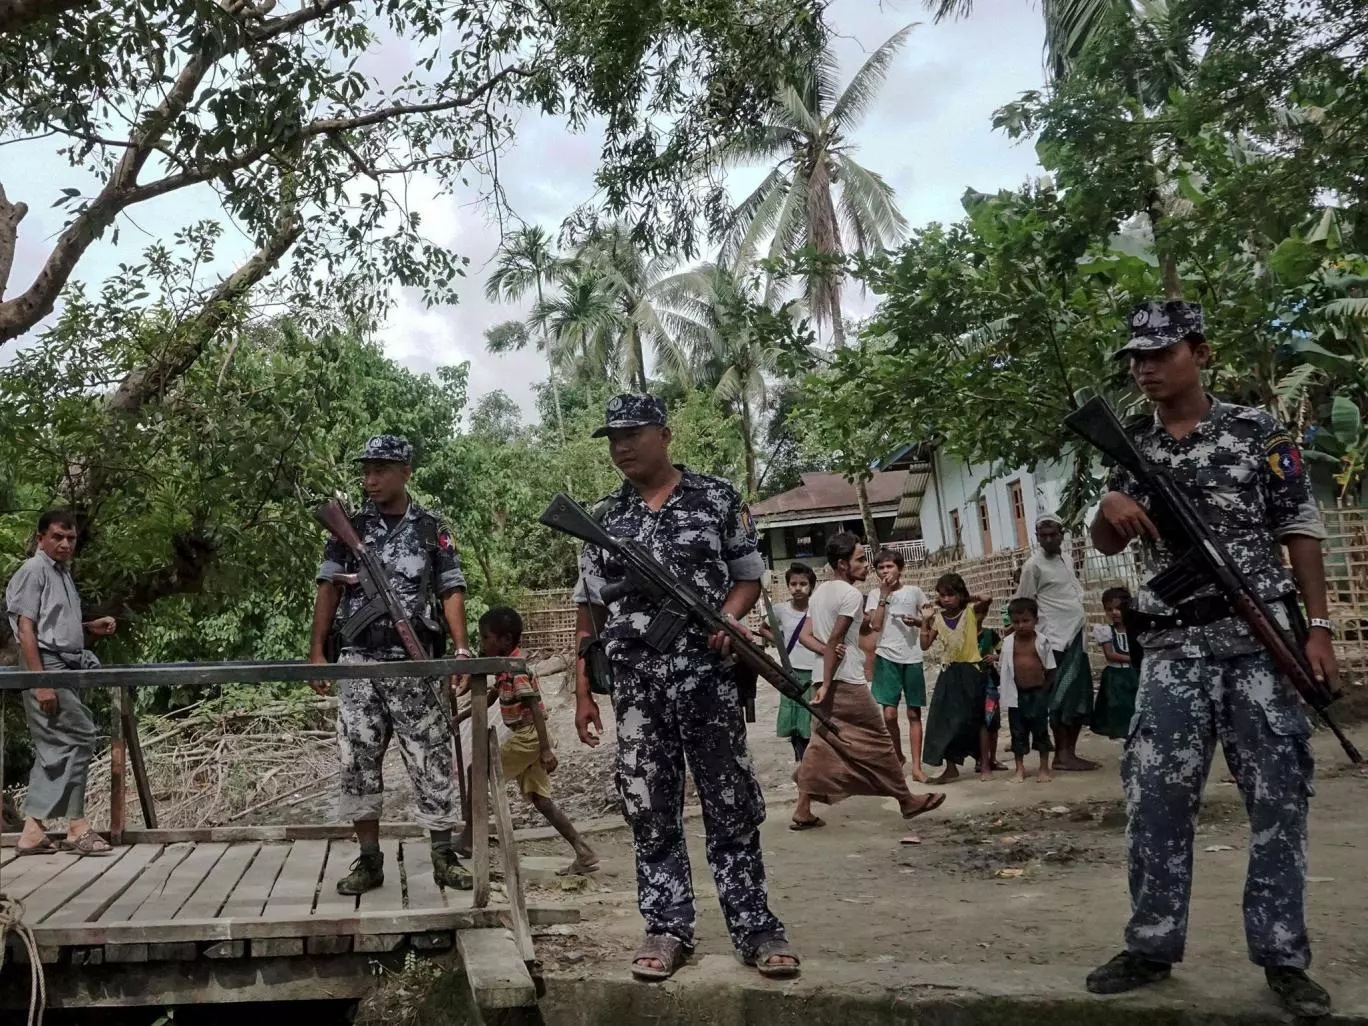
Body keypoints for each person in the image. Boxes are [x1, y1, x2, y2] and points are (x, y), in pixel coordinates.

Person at [1083, 300, 1337, 1018]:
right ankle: (1152, 942)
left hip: (1260, 645)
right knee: (1156, 798)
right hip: (1171, 648)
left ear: (1200, 350)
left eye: (1160, 353)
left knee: (1279, 800)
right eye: (1136, 357)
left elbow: (1300, 530)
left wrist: (1318, 630)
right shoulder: (1133, 446)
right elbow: (1106, 545)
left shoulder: (1258, 432)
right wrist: (1109, 504)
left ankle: (1283, 954)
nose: (1145, 368)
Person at [571, 394, 797, 982]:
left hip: (708, 679)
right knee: (649, 806)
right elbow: (589, 608)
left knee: (730, 801)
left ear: (664, 434)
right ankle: (667, 927)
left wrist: (728, 618)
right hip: (637, 687)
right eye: (612, 437)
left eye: (633, 434)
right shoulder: (600, 518)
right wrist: (581, 689)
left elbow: (747, 578)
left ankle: (754, 926)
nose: (621, 446)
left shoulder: (717, 497)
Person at [309, 435, 474, 895]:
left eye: (381, 469)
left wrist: (460, 649)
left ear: (406, 471)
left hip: (415, 662)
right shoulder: (349, 528)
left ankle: (443, 855)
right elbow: (328, 588)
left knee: (431, 756)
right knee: (358, 760)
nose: (370, 479)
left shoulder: (430, 529)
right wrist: (317, 650)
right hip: (359, 660)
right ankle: (369, 860)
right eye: (366, 470)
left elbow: (451, 588)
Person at [794, 534, 946, 842]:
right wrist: (827, 674)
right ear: (842, 564)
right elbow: (835, 642)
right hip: (844, 680)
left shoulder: (821, 592)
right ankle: (906, 799)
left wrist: (823, 671)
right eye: (860, 559)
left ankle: (802, 809)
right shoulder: (851, 595)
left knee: (822, 743)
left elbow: (805, 637)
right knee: (878, 741)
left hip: (824, 677)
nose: (867, 565)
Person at [4, 510, 117, 857]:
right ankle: (77, 825)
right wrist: (42, 683)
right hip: (45, 666)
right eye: (57, 537)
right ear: (40, 539)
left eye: (70, 538)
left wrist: (88, 627)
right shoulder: (33, 571)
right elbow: (26, 629)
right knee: (82, 733)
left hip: (62, 663)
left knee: (57, 747)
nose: (65, 543)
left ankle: (33, 832)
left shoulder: (62, 573)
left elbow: (53, 623)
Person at [455, 606, 597, 876]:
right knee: (540, 800)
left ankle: (471, 837)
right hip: (530, 738)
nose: (483, 644)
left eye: (487, 638)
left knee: (477, 772)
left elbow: (535, 709)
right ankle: (583, 850)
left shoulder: (517, 670)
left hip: (530, 737)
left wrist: (545, 749)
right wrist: (461, 717)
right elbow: (491, 698)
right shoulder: (505, 668)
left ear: (506, 640)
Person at [1015, 513, 1097, 771]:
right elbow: (1024, 603)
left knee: (1078, 695)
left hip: (1074, 636)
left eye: (1053, 534)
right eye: (1043, 536)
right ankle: (1061, 754)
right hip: (1054, 640)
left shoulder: (1067, 559)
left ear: (1062, 534)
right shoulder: (1033, 566)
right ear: (1037, 537)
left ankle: (1069, 752)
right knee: (1060, 698)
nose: (1049, 539)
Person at [919, 573, 993, 785]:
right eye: (942, 595)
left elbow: (987, 598)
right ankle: (950, 768)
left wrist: (967, 598)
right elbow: (924, 645)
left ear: (961, 595)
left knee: (977, 719)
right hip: (949, 673)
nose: (946, 599)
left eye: (951, 595)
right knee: (945, 721)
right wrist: (925, 621)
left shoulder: (971, 612)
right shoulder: (938, 620)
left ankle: (985, 765)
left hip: (971, 671)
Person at [864, 548, 931, 780]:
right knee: (889, 714)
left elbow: (930, 619)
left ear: (900, 569)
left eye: (890, 566)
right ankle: (898, 755)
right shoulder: (875, 594)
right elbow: (875, 625)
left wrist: (919, 621)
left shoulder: (915, 592)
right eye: (881, 568)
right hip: (886, 656)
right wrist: (883, 595)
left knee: (914, 713)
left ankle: (917, 767)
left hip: (912, 657)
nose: (885, 571)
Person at [757, 563, 823, 764]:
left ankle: (816, 763)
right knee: (795, 719)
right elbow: (763, 629)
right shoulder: (781, 610)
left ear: (811, 586)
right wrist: (782, 642)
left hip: (815, 670)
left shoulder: (817, 609)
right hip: (792, 671)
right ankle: (802, 763)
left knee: (814, 717)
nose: (798, 588)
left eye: (803, 584)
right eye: (793, 584)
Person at [998, 598, 1056, 784]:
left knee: (1040, 730)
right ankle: (1019, 769)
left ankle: (1044, 767)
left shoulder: (1042, 641)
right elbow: (1003, 668)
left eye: (1025, 621)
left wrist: (1045, 691)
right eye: (1016, 622)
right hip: (1017, 694)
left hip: (1038, 693)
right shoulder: (1008, 643)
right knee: (1018, 731)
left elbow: (1051, 668)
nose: (1021, 625)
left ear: (1035, 620)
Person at [1090, 587, 1139, 740]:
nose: (1115, 613)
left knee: (1135, 708)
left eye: (1119, 608)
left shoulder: (1136, 630)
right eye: (1109, 609)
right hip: (1116, 678)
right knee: (1119, 711)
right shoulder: (1106, 631)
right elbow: (1110, 655)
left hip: (1134, 675)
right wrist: (1135, 658)